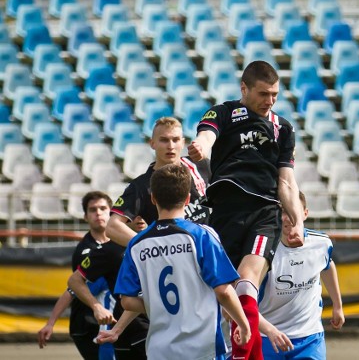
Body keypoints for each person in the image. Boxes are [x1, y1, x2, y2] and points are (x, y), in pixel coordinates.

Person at [188, 60, 305, 360]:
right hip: (225, 210)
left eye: (275, 95)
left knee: (246, 281)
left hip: (265, 212)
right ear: (244, 88)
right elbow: (208, 134)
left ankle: (241, 356)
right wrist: (201, 145)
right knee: (225, 291)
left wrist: (297, 221)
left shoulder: (283, 129)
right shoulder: (224, 112)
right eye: (264, 94)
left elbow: (287, 181)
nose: (270, 101)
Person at [97, 163, 251, 360]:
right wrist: (243, 323)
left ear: (153, 199)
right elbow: (223, 291)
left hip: (159, 350)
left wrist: (156, 304)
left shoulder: (137, 244)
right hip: (203, 348)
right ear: (188, 199)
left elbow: (127, 300)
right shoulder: (201, 235)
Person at [258, 191, 345, 360]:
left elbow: (327, 265)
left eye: (294, 209)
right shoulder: (263, 249)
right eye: (283, 211)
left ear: (305, 213)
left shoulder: (321, 243)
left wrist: (338, 306)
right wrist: (266, 329)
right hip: (268, 336)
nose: (288, 217)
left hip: (310, 337)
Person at [107, 117, 212, 246]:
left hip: (211, 248)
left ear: (183, 142)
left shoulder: (202, 166)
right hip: (176, 257)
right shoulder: (141, 185)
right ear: (152, 144)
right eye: (164, 140)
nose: (171, 146)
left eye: (175, 140)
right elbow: (112, 227)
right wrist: (148, 247)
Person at [37, 191, 115, 360]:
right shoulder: (85, 251)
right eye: (93, 210)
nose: (98, 213)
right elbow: (72, 289)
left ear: (111, 212)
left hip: (109, 321)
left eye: (103, 208)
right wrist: (51, 323)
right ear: (86, 216)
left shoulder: (116, 245)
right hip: (87, 323)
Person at [68, 215, 150, 359]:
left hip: (160, 323)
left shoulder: (160, 243)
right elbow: (74, 281)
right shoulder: (108, 250)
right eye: (133, 214)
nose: (140, 218)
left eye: (144, 212)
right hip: (130, 329)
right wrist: (97, 307)